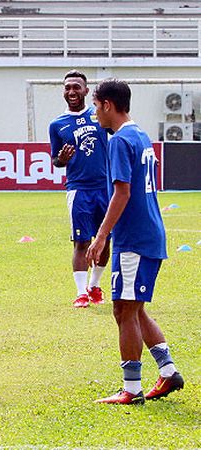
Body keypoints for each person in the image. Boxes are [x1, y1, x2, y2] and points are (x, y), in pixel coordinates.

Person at [87, 79, 183, 404]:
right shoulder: (140, 134)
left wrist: (101, 236)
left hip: (135, 239)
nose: (94, 112)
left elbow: (122, 192)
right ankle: (168, 372)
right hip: (148, 234)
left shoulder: (119, 140)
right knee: (135, 308)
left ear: (108, 105)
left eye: (96, 105)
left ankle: (131, 389)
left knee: (123, 310)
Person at [49, 70, 110, 308]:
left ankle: (94, 286)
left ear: (86, 90)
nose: (72, 91)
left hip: (105, 187)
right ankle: (80, 293)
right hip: (79, 189)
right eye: (67, 88)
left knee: (105, 240)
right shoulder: (57, 124)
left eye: (76, 87)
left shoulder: (100, 116)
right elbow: (55, 161)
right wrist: (62, 160)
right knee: (81, 241)